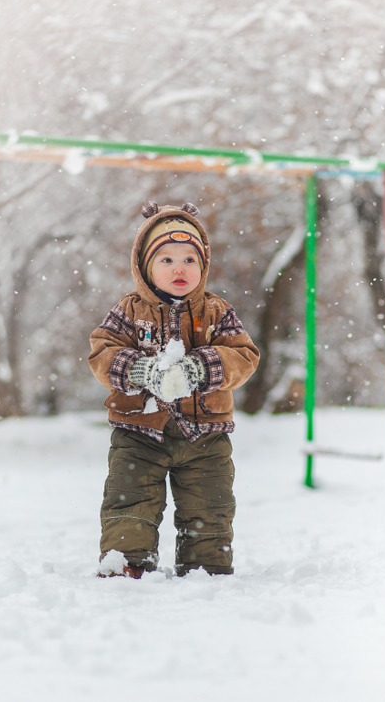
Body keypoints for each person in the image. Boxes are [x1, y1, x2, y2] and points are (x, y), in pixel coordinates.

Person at [88, 200, 259, 578]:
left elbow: (244, 355)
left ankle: (207, 565)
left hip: (206, 434)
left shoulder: (216, 312)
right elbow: (102, 351)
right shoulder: (129, 311)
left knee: (209, 505)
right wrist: (139, 369)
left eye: (190, 260)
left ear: (204, 266)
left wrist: (202, 366)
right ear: (145, 267)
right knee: (131, 498)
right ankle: (127, 561)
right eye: (166, 260)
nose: (179, 268)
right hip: (139, 431)